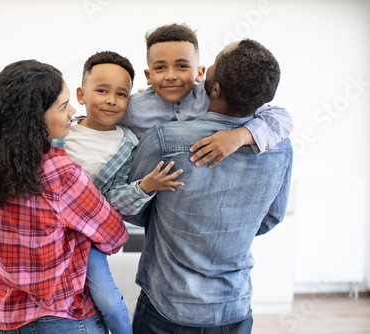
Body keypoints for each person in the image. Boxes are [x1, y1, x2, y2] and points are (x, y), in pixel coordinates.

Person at [126, 39, 293, 334]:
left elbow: (135, 210)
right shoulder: (279, 146)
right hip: (233, 307)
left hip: (167, 307)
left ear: (214, 89)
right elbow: (271, 218)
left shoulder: (164, 140)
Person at [0, 59, 128, 333]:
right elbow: (114, 236)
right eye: (63, 106)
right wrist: (78, 235)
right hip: (62, 319)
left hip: (4, 320)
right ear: (33, 117)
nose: (72, 111)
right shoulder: (60, 172)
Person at [53, 50, 183, 334]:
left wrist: (144, 186)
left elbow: (113, 200)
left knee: (108, 302)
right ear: (81, 94)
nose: (111, 100)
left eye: (122, 94)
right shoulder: (60, 132)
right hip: (47, 232)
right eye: (102, 90)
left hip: (86, 238)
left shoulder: (128, 145)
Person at [119, 23, 294, 167]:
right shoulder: (133, 108)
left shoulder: (211, 96)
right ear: (148, 76)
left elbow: (282, 118)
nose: (171, 76)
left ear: (200, 73)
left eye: (182, 66)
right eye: (160, 68)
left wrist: (240, 136)